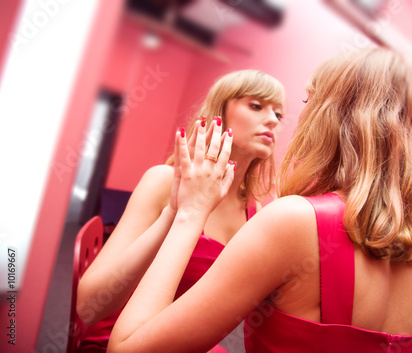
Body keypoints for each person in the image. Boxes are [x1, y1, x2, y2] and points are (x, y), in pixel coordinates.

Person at [107, 48, 412, 353]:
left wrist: (189, 213)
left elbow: (127, 349)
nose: (277, 120)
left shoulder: (292, 220)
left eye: (305, 102)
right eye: (256, 106)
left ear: (328, 115)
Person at [76, 70, 286, 353]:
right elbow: (90, 308)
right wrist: (175, 213)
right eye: (256, 106)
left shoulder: (255, 213)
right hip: (116, 340)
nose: (272, 120)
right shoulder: (162, 180)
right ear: (220, 112)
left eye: (279, 114)